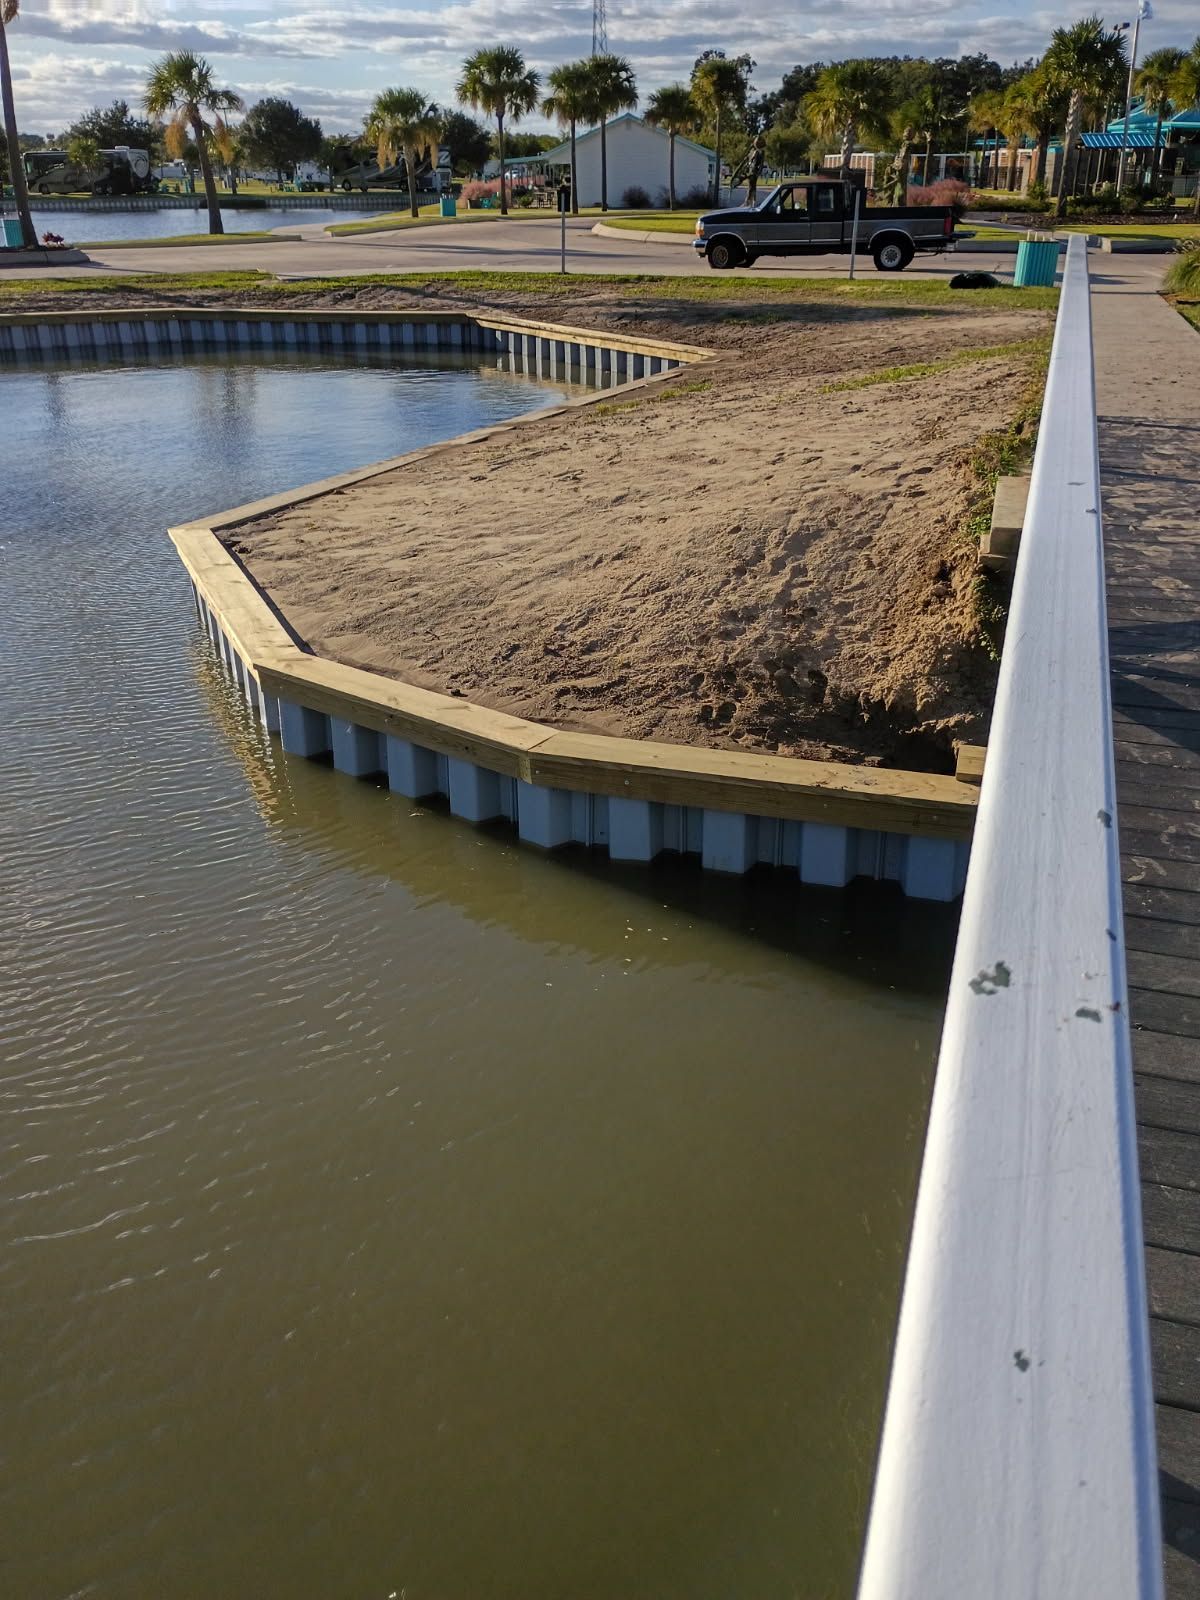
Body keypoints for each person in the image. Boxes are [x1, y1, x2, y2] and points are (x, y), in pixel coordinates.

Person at [744, 135, 766, 204]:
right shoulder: (753, 151)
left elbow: (761, 163)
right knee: (751, 186)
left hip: (754, 171)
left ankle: (750, 201)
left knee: (752, 186)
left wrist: (758, 171)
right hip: (751, 170)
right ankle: (751, 201)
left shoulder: (760, 152)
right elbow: (748, 160)